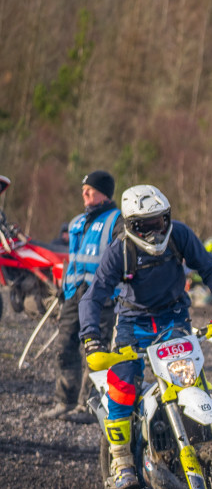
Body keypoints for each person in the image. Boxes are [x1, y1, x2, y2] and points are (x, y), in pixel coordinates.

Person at [79, 184, 212, 489]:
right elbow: (92, 296)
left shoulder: (179, 235)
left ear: (167, 218)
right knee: (123, 385)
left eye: (159, 221)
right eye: (146, 225)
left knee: (188, 378)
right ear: (131, 225)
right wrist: (91, 339)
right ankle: (122, 460)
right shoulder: (120, 250)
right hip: (133, 323)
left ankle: (198, 440)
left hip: (173, 316)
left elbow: (211, 268)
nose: (155, 231)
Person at [44, 171, 122, 422]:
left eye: (90, 190)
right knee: (63, 346)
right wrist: (63, 288)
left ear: (105, 193)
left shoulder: (117, 221)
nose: (84, 194)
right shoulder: (77, 222)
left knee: (96, 352)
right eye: (83, 189)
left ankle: (88, 406)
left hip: (102, 299)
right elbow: (74, 260)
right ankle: (64, 401)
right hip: (73, 295)